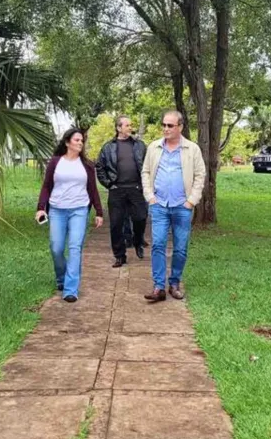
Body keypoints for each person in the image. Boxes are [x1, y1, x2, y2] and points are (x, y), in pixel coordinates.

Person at [141, 110, 206, 302]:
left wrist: (191, 201)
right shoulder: (153, 147)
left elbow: (200, 175)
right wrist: (150, 197)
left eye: (170, 125)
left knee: (180, 248)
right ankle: (159, 287)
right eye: (164, 125)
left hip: (182, 206)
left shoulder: (192, 149)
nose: (166, 129)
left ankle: (175, 283)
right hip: (159, 205)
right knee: (158, 245)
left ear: (180, 127)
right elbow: (145, 171)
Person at [36, 128, 103, 303]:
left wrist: (99, 212)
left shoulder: (87, 165)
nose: (80, 143)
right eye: (76, 140)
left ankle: (70, 289)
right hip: (57, 210)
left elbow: (93, 189)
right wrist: (41, 208)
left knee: (75, 248)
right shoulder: (55, 162)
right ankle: (61, 278)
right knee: (56, 248)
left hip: (79, 210)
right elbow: (46, 186)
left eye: (82, 140)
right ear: (67, 142)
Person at [95, 115, 148, 268]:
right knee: (116, 224)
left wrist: (143, 185)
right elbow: (100, 167)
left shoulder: (140, 145)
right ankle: (120, 256)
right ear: (118, 128)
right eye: (127, 125)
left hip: (136, 189)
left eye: (131, 125)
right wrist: (108, 184)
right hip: (116, 190)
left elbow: (147, 166)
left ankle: (138, 241)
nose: (130, 128)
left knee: (141, 217)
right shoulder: (108, 147)